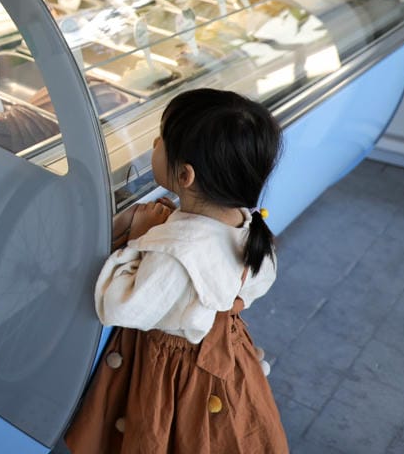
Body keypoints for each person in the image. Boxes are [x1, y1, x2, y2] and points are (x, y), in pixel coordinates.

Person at [65, 88, 288, 454]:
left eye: (161, 140)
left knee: (170, 436)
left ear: (185, 175)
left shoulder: (175, 253)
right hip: (228, 357)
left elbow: (117, 307)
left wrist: (139, 241)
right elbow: (251, 288)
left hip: (176, 375)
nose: (154, 143)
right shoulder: (249, 228)